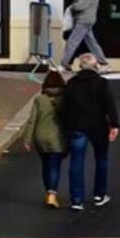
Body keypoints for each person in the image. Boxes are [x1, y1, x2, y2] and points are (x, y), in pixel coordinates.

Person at [60, 52, 120, 211]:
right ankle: (99, 194)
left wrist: (65, 126)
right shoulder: (101, 83)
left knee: (76, 161)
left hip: (76, 126)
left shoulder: (71, 83)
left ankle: (76, 200)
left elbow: (64, 107)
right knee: (101, 159)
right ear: (95, 66)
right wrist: (114, 124)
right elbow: (109, 104)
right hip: (98, 126)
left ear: (80, 66)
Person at [21, 69, 68, 208]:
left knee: (46, 166)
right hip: (58, 137)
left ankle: (48, 192)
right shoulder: (65, 99)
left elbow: (32, 120)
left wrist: (27, 138)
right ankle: (52, 195)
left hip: (40, 136)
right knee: (54, 166)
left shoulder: (39, 99)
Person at [60, 0, 107, 67]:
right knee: (92, 43)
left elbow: (80, 6)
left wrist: (72, 7)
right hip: (87, 21)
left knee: (72, 42)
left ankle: (64, 64)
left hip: (83, 21)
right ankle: (103, 62)